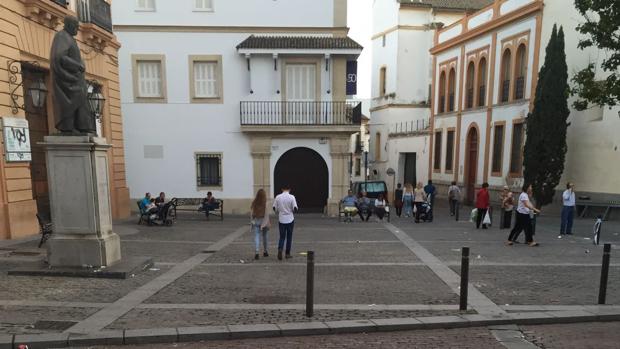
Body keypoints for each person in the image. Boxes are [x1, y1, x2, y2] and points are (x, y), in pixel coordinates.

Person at [273, 185, 298, 260]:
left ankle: (280, 249)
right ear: (289, 189)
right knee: (289, 237)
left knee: (282, 237)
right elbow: (295, 208)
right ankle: (287, 253)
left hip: (281, 219)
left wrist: (279, 210)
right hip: (290, 219)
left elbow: (274, 208)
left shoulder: (278, 197)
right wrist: (292, 210)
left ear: (282, 189)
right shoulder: (292, 197)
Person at [251, 189, 271, 260]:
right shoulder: (266, 203)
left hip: (256, 221)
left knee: (256, 236)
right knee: (265, 236)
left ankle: (257, 252)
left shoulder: (254, 202)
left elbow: (252, 213)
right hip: (264, 221)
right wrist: (266, 223)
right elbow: (267, 215)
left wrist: (252, 221)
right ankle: (265, 251)